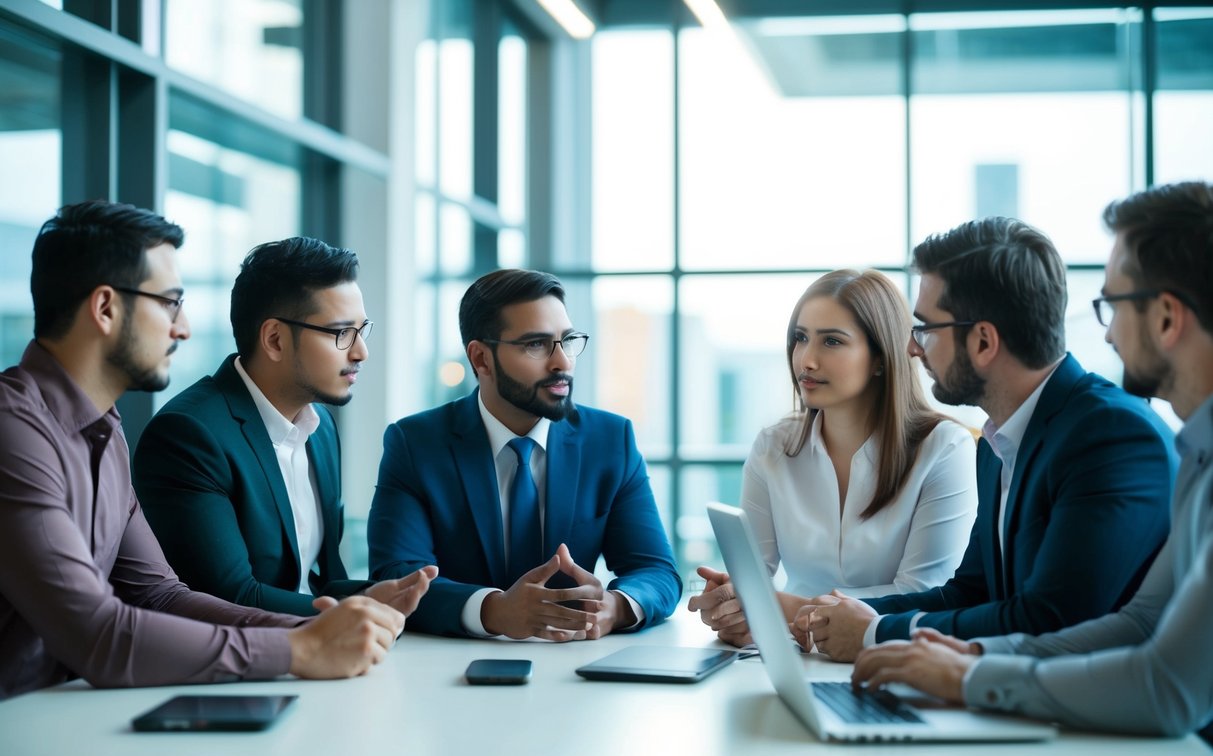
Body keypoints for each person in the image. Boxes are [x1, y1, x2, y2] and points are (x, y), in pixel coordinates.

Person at [0, 200, 409, 699]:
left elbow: (160, 594)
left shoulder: (104, 430)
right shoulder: (12, 430)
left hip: (60, 718)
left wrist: (312, 632)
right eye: (170, 302)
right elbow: (96, 634)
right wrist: (298, 652)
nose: (184, 327)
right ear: (106, 308)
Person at [851, 181, 1213, 742]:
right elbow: (1141, 623)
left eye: (1113, 304)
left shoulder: (1116, 434)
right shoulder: (1196, 453)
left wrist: (956, 669)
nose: (1108, 331)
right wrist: (965, 659)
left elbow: (1160, 680)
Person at [796, 216, 1177, 662]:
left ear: (983, 342)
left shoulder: (1110, 435)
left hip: (1111, 723)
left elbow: (1052, 618)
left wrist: (875, 633)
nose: (913, 349)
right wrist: (839, 615)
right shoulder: (996, 447)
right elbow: (971, 593)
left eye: (926, 330)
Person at [368, 268, 682, 639]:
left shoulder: (611, 439)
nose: (562, 361)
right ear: (481, 359)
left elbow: (656, 570)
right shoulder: (416, 443)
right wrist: (493, 610)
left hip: (578, 667)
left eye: (567, 341)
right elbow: (397, 576)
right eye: (536, 344)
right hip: (447, 669)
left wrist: (615, 607)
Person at [132, 237, 436, 617]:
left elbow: (322, 581)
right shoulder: (189, 435)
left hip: (322, 656)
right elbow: (230, 596)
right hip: (239, 662)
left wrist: (425, 600)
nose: (361, 352)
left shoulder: (320, 427)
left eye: (362, 330)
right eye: (342, 333)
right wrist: (353, 613)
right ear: (275, 339)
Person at [687, 269, 977, 646]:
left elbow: (923, 595)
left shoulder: (944, 448)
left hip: (893, 658)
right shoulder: (774, 447)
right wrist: (732, 608)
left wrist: (778, 607)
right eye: (800, 338)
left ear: (880, 358)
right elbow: (753, 581)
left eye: (832, 342)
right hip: (793, 656)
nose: (806, 360)